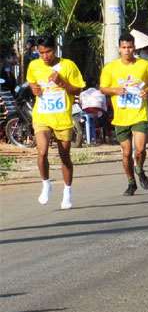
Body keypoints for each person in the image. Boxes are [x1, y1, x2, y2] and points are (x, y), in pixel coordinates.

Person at [27, 36, 86, 209]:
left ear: (55, 49)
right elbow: (32, 81)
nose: (45, 56)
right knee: (42, 151)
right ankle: (46, 183)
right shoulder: (34, 65)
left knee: (64, 156)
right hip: (42, 116)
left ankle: (67, 191)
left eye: (48, 52)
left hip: (62, 118)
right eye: (41, 52)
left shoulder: (68, 65)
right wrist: (33, 88)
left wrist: (62, 82)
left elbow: (78, 89)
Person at [99, 33, 148, 196]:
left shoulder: (144, 65)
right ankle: (131, 182)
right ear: (119, 48)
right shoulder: (110, 67)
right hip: (121, 116)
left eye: (130, 47)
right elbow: (103, 88)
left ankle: (140, 169)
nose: (127, 50)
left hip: (139, 113)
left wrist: (147, 91)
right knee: (125, 152)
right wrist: (115, 90)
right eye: (124, 47)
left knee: (139, 150)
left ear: (134, 47)